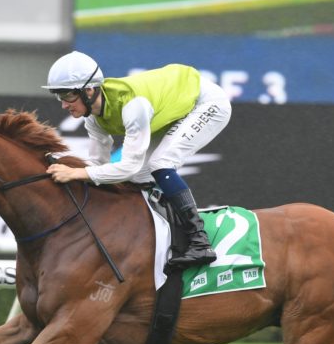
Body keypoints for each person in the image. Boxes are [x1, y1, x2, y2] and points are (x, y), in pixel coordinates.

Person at [42, 51, 232, 271]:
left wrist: (76, 173)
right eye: (59, 97)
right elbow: (97, 167)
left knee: (161, 164)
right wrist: (69, 168)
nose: (64, 105)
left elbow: (127, 167)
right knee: (140, 176)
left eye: (67, 96)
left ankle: (200, 241)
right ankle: (164, 236)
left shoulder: (132, 106)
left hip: (205, 102)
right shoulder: (93, 120)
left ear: (89, 90)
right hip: (169, 108)